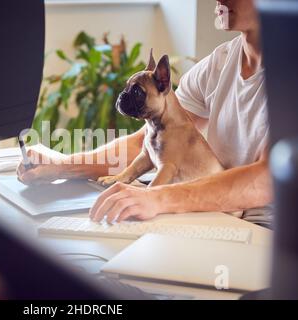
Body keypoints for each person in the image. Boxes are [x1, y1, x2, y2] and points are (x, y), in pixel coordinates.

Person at [17, 0, 273, 227]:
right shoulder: (219, 63)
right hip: (217, 214)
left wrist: (158, 197)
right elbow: (148, 144)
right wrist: (63, 165)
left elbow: (265, 182)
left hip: (269, 232)